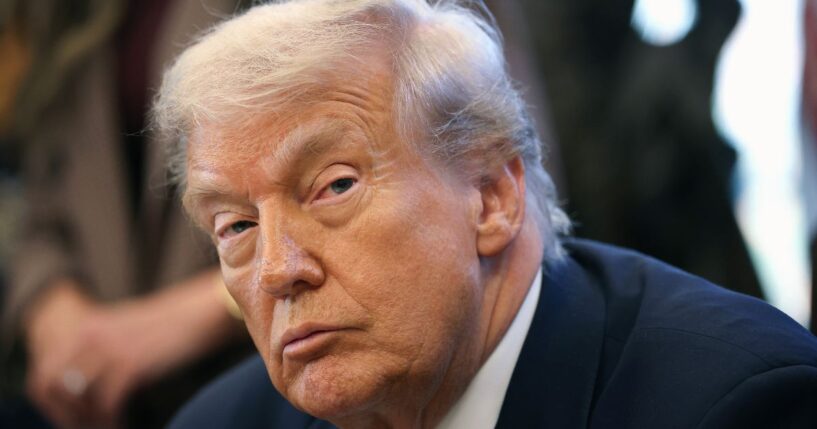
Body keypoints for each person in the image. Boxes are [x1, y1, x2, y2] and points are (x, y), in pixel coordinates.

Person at [153, 0, 817, 428]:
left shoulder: (735, 403)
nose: (276, 271)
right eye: (237, 225)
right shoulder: (217, 422)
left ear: (492, 195)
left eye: (334, 187)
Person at [1, 0, 252, 427]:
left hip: (248, 367)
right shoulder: (58, 17)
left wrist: (197, 314)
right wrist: (52, 305)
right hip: (89, 392)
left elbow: (335, 195)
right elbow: (38, 200)